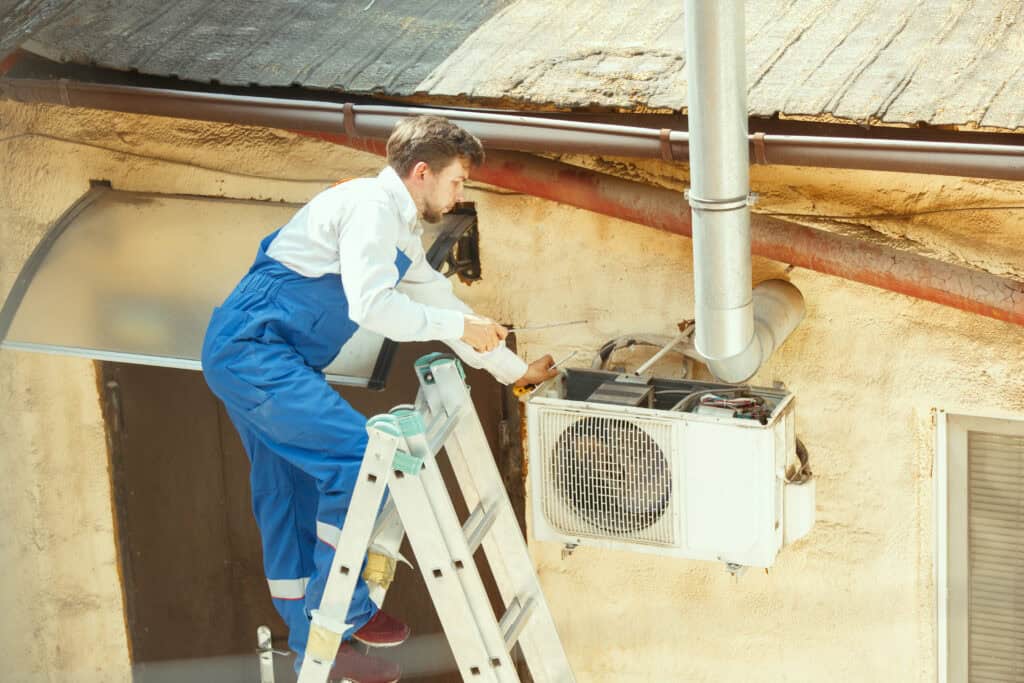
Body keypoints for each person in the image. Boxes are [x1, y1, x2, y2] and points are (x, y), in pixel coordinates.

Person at [201, 115, 558, 683]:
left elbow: (448, 311)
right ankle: (335, 617)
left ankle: (314, 638)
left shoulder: (398, 230)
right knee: (354, 461)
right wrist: (455, 326)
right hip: (254, 352)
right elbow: (371, 307)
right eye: (457, 181)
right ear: (422, 172)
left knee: (286, 486)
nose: (459, 193)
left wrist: (517, 373)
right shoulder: (369, 208)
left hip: (273, 358)